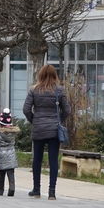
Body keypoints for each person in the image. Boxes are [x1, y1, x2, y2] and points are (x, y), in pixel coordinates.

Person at [23, 64, 70, 200]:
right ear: (55, 75)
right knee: (53, 160)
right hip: (54, 129)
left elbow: (26, 109)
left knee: (37, 160)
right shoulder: (59, 91)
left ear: (40, 75)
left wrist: (34, 120)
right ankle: (52, 192)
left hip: (38, 128)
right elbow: (67, 110)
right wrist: (58, 120)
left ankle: (36, 190)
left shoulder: (34, 90)